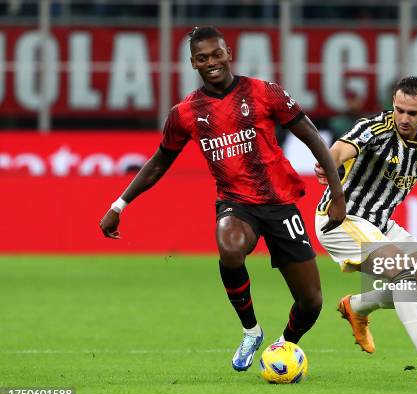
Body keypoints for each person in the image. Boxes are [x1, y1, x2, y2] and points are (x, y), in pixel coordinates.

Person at [99, 26, 345, 372]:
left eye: (216, 54)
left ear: (228, 52)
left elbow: (313, 138)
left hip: (279, 203)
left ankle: (283, 346)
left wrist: (337, 194)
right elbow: (158, 163)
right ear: (193, 63)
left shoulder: (264, 92)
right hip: (236, 203)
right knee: (229, 247)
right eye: (202, 58)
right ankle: (251, 331)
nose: (211, 62)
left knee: (311, 302)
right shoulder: (185, 113)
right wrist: (118, 205)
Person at [314, 76, 417, 380]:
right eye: (399, 110)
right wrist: (328, 164)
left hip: (380, 223)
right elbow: (338, 150)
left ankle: (357, 306)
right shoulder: (373, 129)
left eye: (412, 113)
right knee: (401, 272)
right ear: (393, 104)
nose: (403, 118)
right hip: (342, 219)